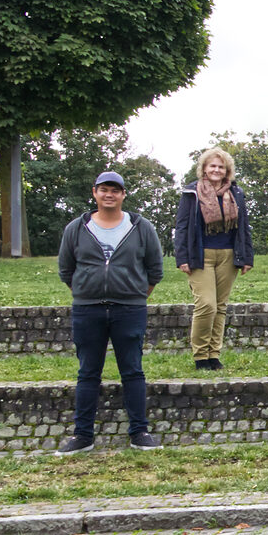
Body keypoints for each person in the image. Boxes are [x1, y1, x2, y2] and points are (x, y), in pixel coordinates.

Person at [55, 170, 166, 455]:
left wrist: (132, 296)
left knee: (133, 371)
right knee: (87, 373)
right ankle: (82, 435)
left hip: (130, 309)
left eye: (115, 190)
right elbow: (67, 270)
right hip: (87, 310)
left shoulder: (141, 227)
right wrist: (87, 293)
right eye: (104, 189)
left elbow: (154, 270)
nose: (109, 194)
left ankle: (139, 432)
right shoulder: (76, 228)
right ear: (94, 193)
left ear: (123, 195)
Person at [174, 147, 254, 372]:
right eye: (212, 166)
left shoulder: (236, 193)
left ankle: (213, 354)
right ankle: (200, 355)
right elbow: (181, 226)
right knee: (206, 305)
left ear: (227, 170)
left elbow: (243, 227)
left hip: (229, 255)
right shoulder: (192, 192)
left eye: (221, 166)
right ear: (204, 169)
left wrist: (247, 257)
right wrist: (182, 257)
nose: (217, 170)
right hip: (200, 256)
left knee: (220, 307)